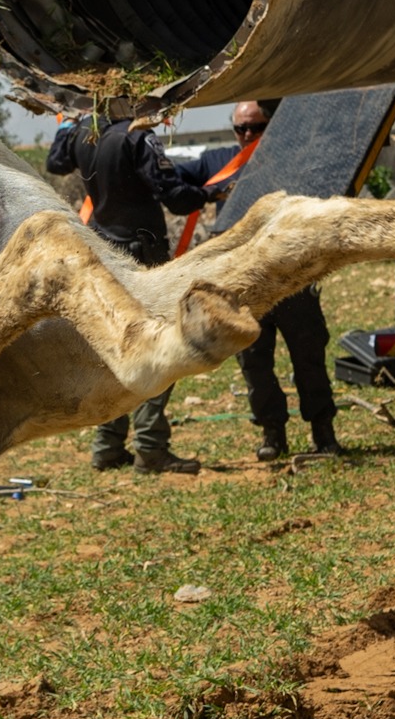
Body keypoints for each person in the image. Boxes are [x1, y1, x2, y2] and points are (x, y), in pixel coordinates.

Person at [45, 109, 212, 473]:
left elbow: (54, 163)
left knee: (117, 346)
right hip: (144, 256)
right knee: (162, 344)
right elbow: (175, 197)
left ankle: (107, 445)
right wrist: (209, 192)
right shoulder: (136, 137)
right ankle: (150, 446)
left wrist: (68, 127)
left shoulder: (81, 137)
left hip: (107, 255)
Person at [174, 101, 340, 461]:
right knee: (254, 364)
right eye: (241, 129)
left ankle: (323, 433)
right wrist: (206, 195)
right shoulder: (217, 161)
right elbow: (171, 179)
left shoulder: (293, 160)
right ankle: (272, 435)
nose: (248, 135)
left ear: (272, 127)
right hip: (244, 288)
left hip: (292, 282)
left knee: (309, 359)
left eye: (256, 128)